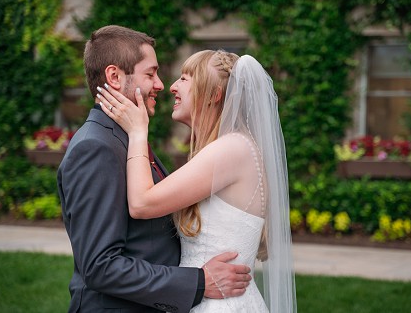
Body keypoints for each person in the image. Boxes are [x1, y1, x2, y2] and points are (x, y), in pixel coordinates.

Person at [57, 26, 251, 313]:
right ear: (114, 76)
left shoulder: (125, 136)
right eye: (150, 74)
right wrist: (198, 282)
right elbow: (100, 266)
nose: (161, 84)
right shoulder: (95, 148)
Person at [97, 49, 297, 312]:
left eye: (185, 78)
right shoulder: (230, 147)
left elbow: (142, 203)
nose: (171, 87)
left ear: (213, 95)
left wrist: (137, 132)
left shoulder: (232, 149)